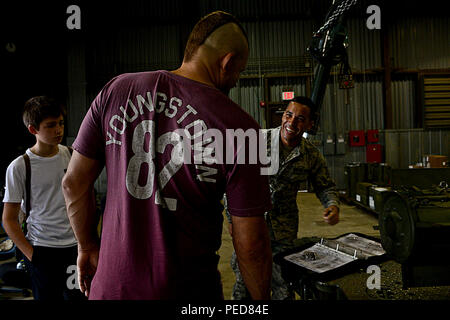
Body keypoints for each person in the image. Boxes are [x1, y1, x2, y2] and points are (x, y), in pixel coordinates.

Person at [62, 11, 273, 300]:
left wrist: (86, 246)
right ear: (228, 62)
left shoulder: (115, 90)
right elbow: (251, 244)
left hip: (110, 290)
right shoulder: (243, 129)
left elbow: (72, 183)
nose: (236, 80)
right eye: (240, 71)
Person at [227, 96, 340, 300]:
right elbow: (234, 184)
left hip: (283, 231)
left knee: (283, 285)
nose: (292, 122)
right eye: (289, 115)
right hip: (251, 225)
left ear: (309, 124)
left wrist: (332, 205)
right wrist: (232, 220)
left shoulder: (310, 155)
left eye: (300, 119)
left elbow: (325, 186)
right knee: (245, 286)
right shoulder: (258, 142)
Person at [2, 96, 84, 300]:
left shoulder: (72, 155)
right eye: (50, 125)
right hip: (42, 250)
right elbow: (9, 219)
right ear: (33, 130)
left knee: (79, 297)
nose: (58, 130)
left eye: (61, 123)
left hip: (74, 247)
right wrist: (32, 255)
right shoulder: (20, 166)